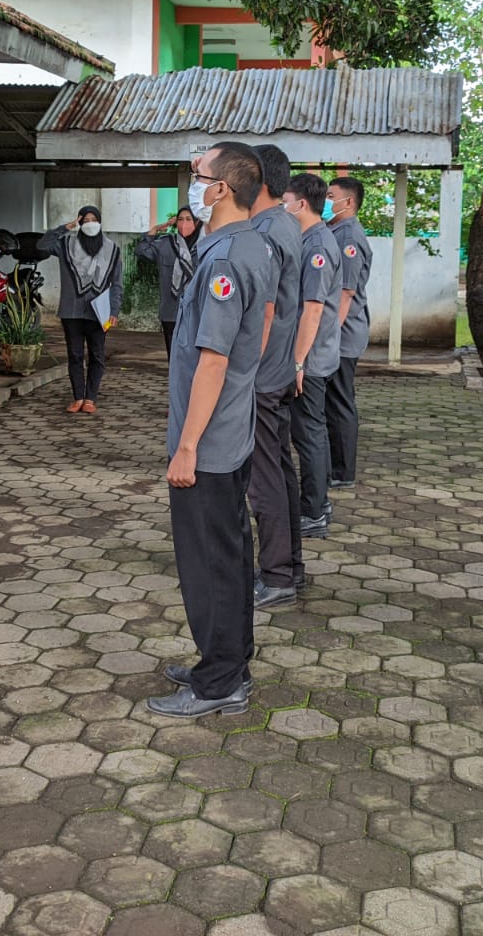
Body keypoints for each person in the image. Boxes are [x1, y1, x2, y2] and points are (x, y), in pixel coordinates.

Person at [149, 141, 272, 718]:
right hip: (230, 430)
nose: (191, 182)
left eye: (197, 173)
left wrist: (188, 446)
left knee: (210, 561)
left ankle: (220, 682)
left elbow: (214, 360)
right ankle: (227, 661)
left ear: (221, 188)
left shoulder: (225, 260)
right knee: (229, 551)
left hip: (210, 442)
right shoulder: (245, 244)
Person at [246, 144, 304, 608]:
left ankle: (277, 574)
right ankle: (291, 567)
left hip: (263, 374)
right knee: (281, 471)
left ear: (258, 181)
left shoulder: (265, 230)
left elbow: (264, 312)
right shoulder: (287, 223)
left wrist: (243, 372)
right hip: (281, 368)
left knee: (263, 477)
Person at [283, 173, 343, 548]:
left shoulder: (318, 245)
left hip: (311, 360)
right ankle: (317, 503)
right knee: (309, 432)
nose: (281, 208)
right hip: (311, 356)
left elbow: (313, 309)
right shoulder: (309, 239)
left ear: (301, 204)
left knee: (309, 434)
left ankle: (314, 510)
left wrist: (297, 363)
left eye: (285, 202)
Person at [38, 204, 123, 413]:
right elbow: (42, 246)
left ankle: (90, 398)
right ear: (79, 222)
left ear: (100, 222)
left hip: (99, 312)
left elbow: (117, 283)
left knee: (97, 355)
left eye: (94, 220)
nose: (90, 224)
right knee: (75, 355)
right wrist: (64, 228)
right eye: (85, 220)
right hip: (71, 311)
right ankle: (78, 397)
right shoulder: (66, 244)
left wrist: (114, 311)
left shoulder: (112, 249)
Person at [325, 176, 372, 488]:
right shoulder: (336, 231)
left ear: (349, 202)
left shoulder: (349, 237)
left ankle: (343, 472)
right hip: (338, 334)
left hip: (342, 335)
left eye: (331, 196)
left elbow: (345, 292)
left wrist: (328, 335)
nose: (326, 201)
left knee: (340, 401)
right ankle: (333, 466)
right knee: (332, 402)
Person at [134, 207, 200, 353]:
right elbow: (141, 251)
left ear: (197, 222)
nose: (184, 224)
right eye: (180, 219)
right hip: (171, 311)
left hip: (197, 311)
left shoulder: (204, 246)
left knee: (194, 357)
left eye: (188, 219)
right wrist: (156, 229)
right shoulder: (166, 243)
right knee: (173, 355)